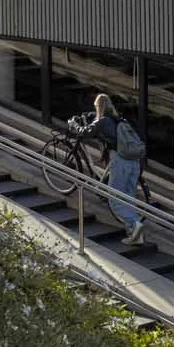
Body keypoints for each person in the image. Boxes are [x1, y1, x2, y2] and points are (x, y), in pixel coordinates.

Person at [67, 93, 148, 248]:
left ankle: (135, 224)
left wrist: (73, 125)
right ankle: (136, 235)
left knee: (114, 200)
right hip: (134, 162)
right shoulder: (120, 120)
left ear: (98, 107)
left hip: (120, 161)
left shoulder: (102, 121)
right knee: (128, 197)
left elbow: (84, 132)